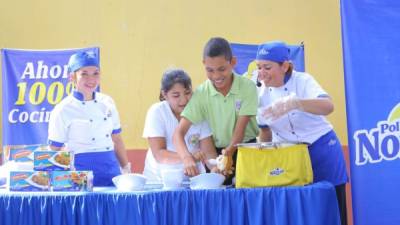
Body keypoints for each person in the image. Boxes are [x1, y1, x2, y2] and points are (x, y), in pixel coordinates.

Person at [255, 41, 348, 225]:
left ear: (285, 65)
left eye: (267, 67)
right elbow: (264, 131)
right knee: (301, 213)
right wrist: (262, 159)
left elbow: (328, 106)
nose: (262, 73)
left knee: (333, 210)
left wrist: (296, 103)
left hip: (322, 150)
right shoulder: (259, 92)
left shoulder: (303, 81)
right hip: (290, 159)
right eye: (258, 67)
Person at [173, 37, 259, 184]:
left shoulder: (248, 87)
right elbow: (178, 134)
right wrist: (186, 158)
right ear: (204, 64)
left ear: (233, 62)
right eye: (210, 70)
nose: (216, 76)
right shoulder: (201, 93)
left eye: (222, 69)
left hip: (246, 150)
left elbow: (240, 129)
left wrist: (229, 153)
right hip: (217, 156)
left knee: (247, 195)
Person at [48, 51, 131, 186]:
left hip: (111, 171)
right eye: (84, 74)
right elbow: (54, 149)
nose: (91, 79)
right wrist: (60, 179)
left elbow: (117, 139)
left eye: (96, 73)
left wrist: (126, 169)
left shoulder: (108, 102)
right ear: (72, 77)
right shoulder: (62, 109)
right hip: (79, 175)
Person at [142, 68, 218, 182]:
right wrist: (188, 158)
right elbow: (159, 154)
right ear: (165, 94)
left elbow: (208, 153)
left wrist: (216, 168)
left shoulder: (199, 113)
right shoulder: (157, 112)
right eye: (176, 95)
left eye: (187, 93)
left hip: (192, 181)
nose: (184, 100)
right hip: (159, 182)